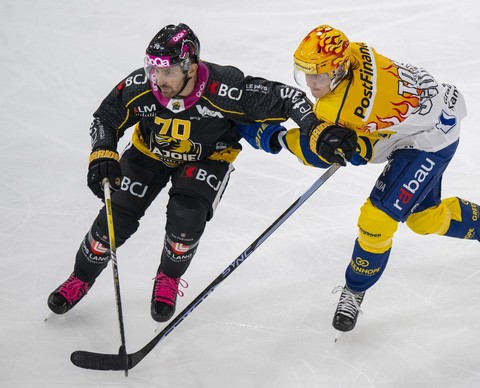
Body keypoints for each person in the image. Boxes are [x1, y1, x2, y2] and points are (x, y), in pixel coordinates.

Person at [47, 23, 352, 323]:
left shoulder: (226, 87)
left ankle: (168, 278)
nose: (157, 79)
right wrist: (102, 153)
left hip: (208, 157)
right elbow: (106, 117)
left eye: (167, 71)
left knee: (187, 219)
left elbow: (288, 97)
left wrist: (316, 129)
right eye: (154, 68)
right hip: (148, 154)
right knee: (114, 221)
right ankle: (80, 278)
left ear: (191, 67)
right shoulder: (142, 85)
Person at [292, 25, 480, 332]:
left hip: (429, 140)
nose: (310, 82)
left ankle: (354, 290)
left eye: (318, 74)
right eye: (306, 72)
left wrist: (316, 140)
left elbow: (357, 152)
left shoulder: (341, 107)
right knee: (424, 219)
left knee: (376, 219)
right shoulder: (357, 50)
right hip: (431, 115)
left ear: (340, 68)